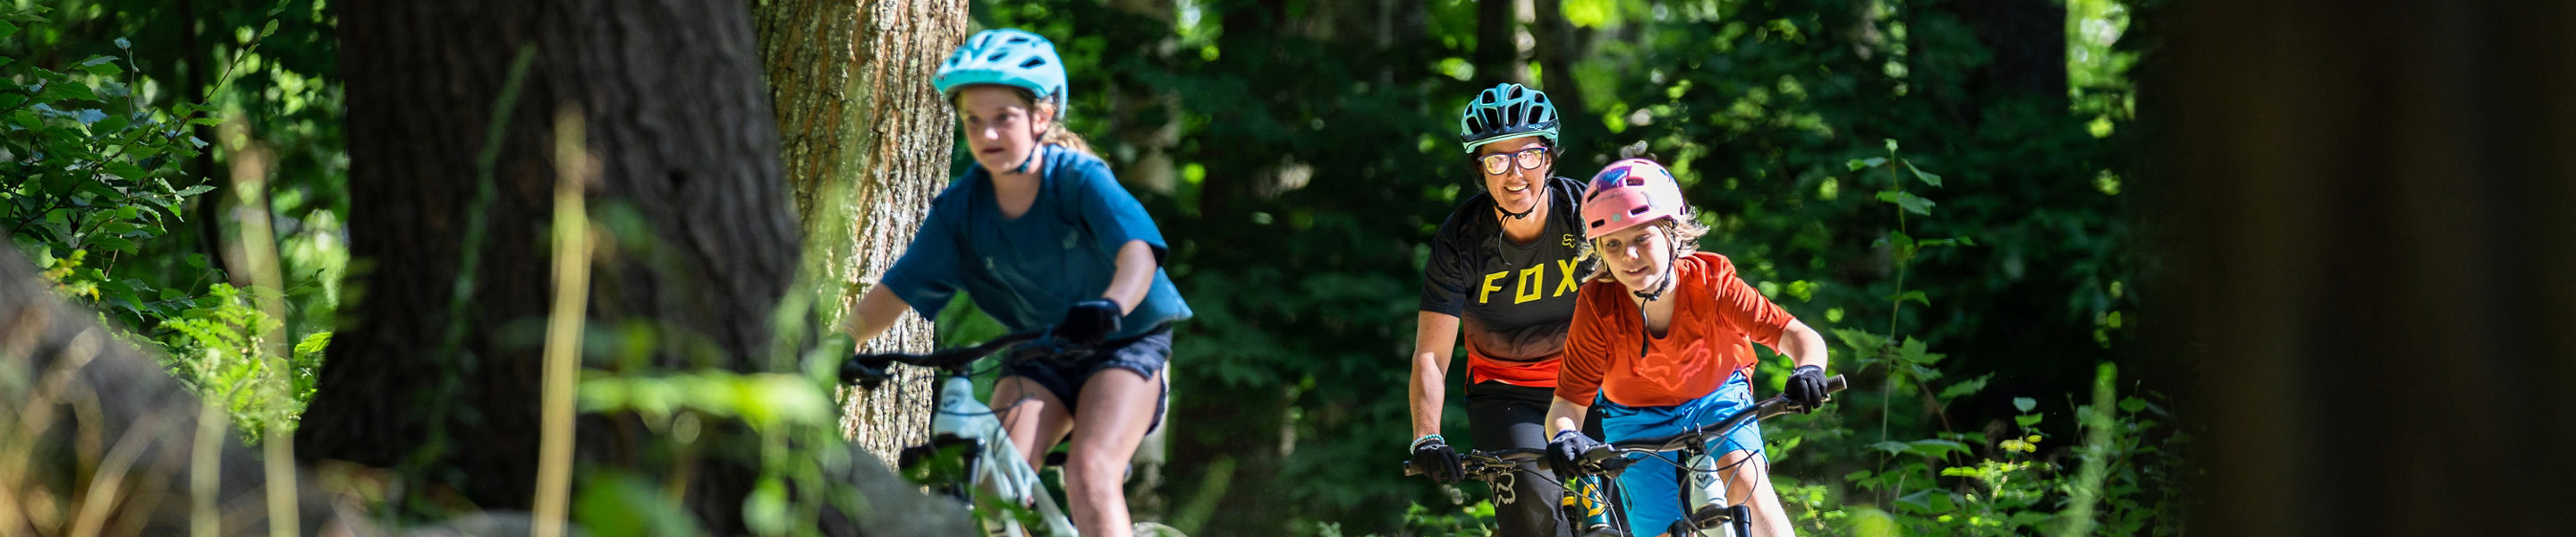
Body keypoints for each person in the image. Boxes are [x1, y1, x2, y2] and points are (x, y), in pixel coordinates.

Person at [838, 28, 1190, 537]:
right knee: (991, 482)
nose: (988, 136)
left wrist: (1110, 306)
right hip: (1042, 347)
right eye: (973, 121)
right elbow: (902, 284)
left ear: (1041, 117)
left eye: (1004, 118)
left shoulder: (1079, 179)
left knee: (1089, 472)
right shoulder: (962, 207)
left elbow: (1138, 254)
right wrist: (843, 338)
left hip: (1125, 342)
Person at [1540, 158, 1834, 537]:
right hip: (1635, 419)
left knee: (1746, 484)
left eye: (1642, 238)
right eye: (1612, 244)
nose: (1628, 256)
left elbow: (1797, 335)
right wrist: (1565, 436)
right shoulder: (1597, 305)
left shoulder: (1713, 283)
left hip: (1717, 398)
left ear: (1672, 232)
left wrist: (1808, 369)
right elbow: (1566, 405)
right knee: (1659, 528)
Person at [1409, 82, 1605, 537]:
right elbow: (1432, 355)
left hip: (1596, 380)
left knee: (1626, 510)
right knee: (1532, 518)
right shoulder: (1460, 240)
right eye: (1496, 159)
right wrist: (1427, 435)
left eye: (1528, 155)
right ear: (1480, 170)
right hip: (1507, 392)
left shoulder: (1588, 213)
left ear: (1550, 158)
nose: (1514, 173)